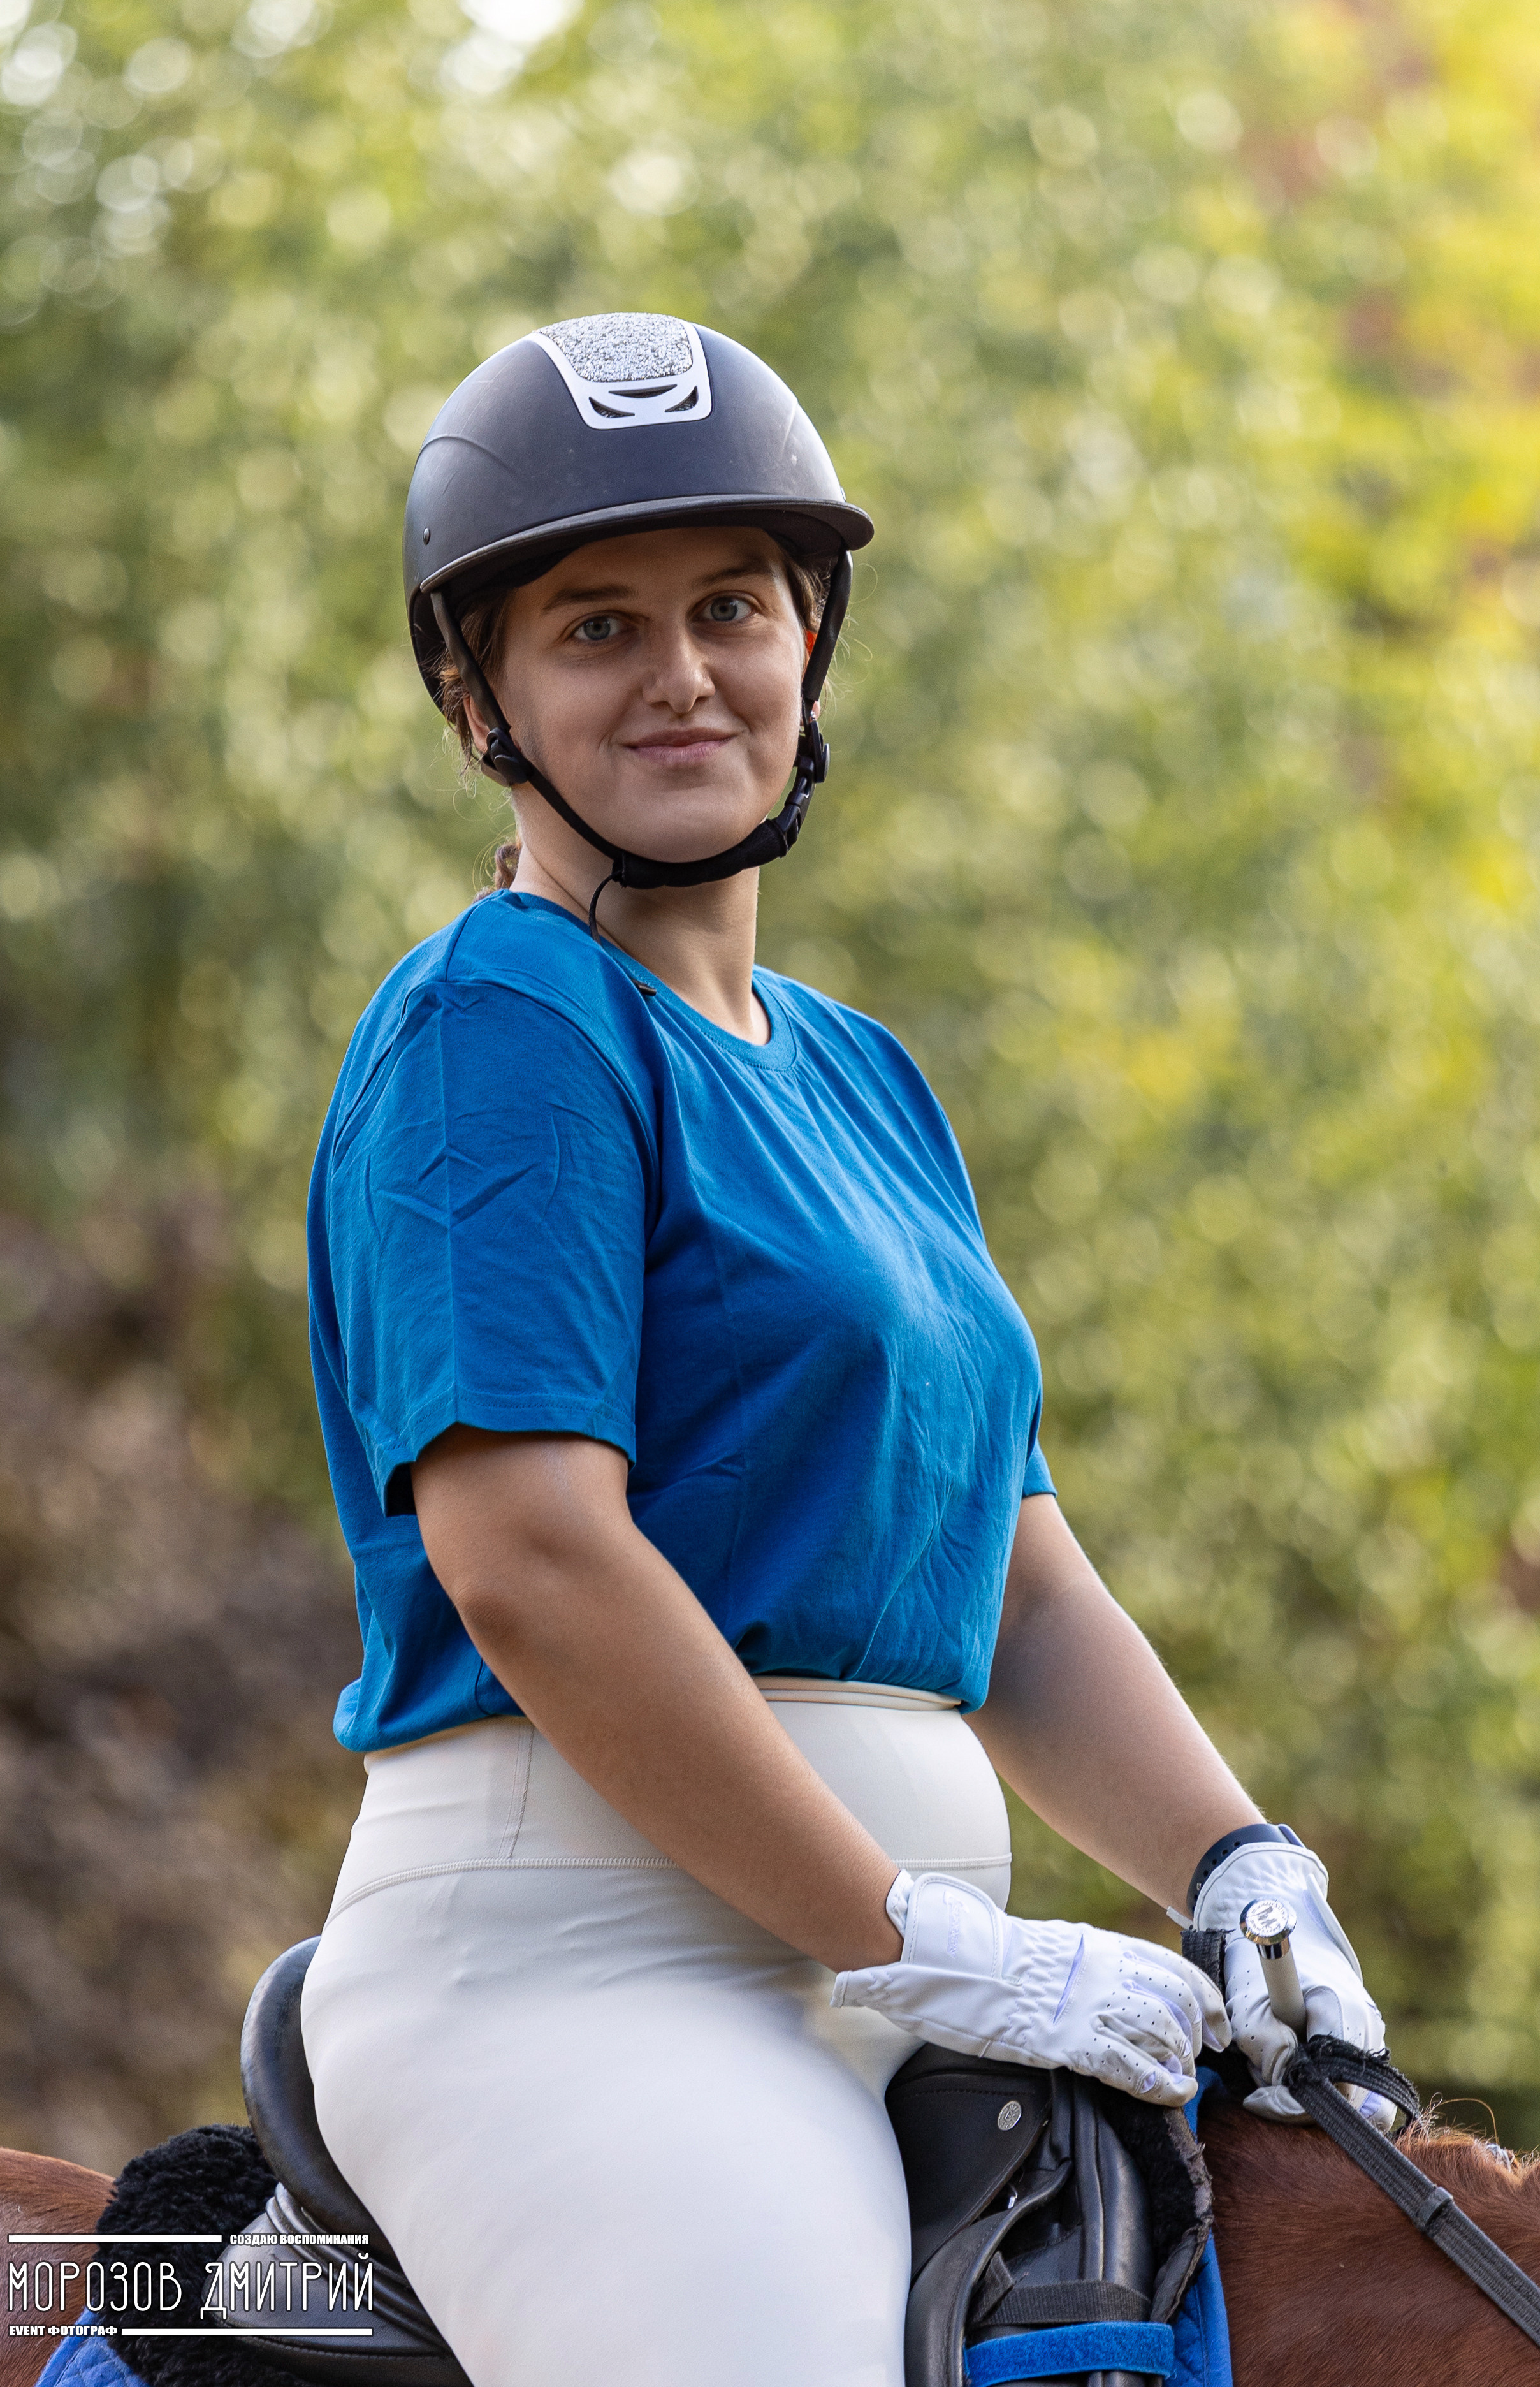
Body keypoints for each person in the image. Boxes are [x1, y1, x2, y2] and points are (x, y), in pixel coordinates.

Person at [299, 313, 1386, 2387]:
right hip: (590, 1980)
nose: (683, 671)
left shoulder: (863, 1077)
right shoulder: (496, 1029)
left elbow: (1014, 1573)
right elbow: (528, 1561)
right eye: (596, 628)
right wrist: (919, 1934)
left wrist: (1237, 1869)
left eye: (731, 608)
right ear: (479, 699)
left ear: (812, 647)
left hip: (913, 1987)